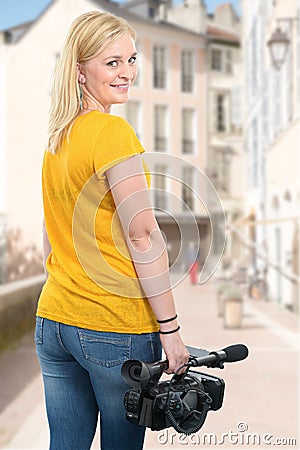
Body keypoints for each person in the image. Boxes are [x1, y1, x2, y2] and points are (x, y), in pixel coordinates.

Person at [35, 10, 189, 450]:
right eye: (112, 62)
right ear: (81, 71)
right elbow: (143, 235)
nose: (128, 73)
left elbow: (51, 233)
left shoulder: (56, 139)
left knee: (65, 444)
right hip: (112, 328)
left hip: (55, 321)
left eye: (132, 59)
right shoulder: (112, 133)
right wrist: (171, 330)